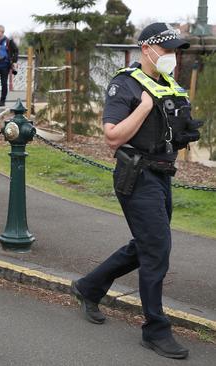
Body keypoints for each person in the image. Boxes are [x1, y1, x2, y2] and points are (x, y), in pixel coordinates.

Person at [70, 23, 200, 360]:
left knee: (146, 244)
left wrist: (183, 132)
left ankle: (88, 287)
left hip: (161, 175)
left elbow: (170, 129)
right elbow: (112, 137)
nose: (172, 56)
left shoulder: (168, 85)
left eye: (175, 51)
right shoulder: (124, 85)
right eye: (167, 49)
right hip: (137, 176)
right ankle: (155, 330)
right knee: (157, 250)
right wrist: (142, 108)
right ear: (147, 49)